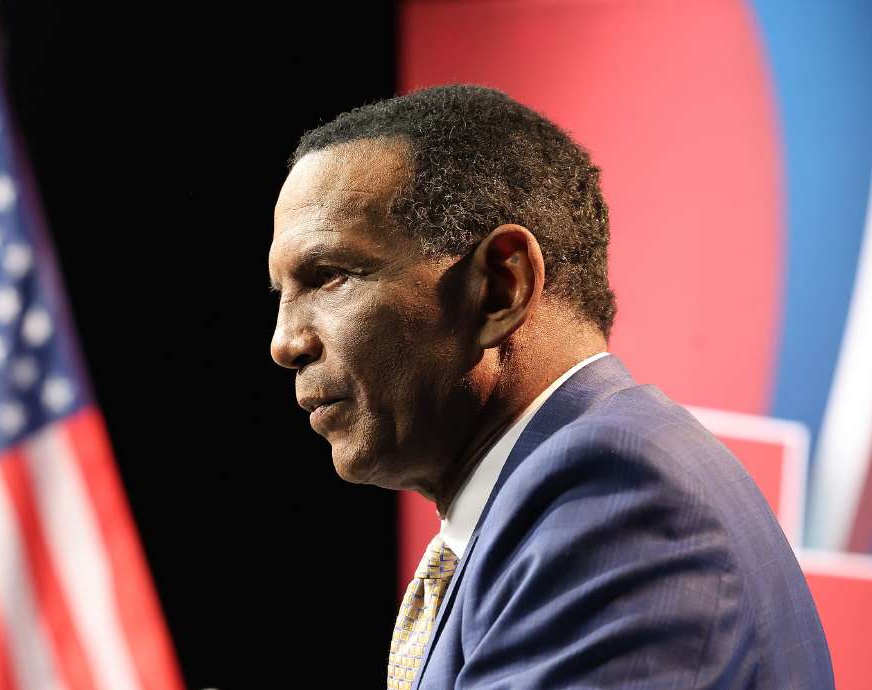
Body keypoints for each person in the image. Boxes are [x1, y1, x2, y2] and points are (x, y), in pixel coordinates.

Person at [267, 85, 833, 689]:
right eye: (282, 296)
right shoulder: (546, 502)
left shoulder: (615, 499)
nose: (284, 343)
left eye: (328, 277)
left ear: (499, 288)